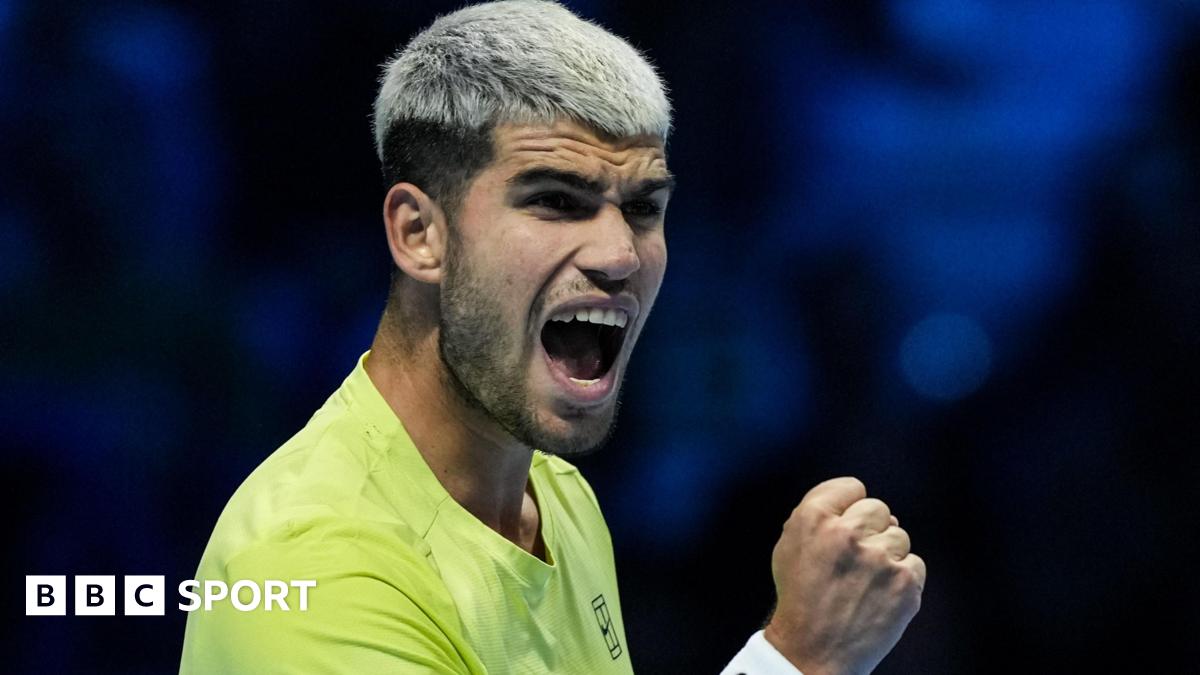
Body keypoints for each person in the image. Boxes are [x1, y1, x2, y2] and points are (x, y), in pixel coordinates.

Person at [179, 2, 925, 673]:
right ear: (419, 233)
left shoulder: (560, 497)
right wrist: (800, 659)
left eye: (642, 207)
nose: (620, 254)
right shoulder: (314, 565)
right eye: (556, 201)